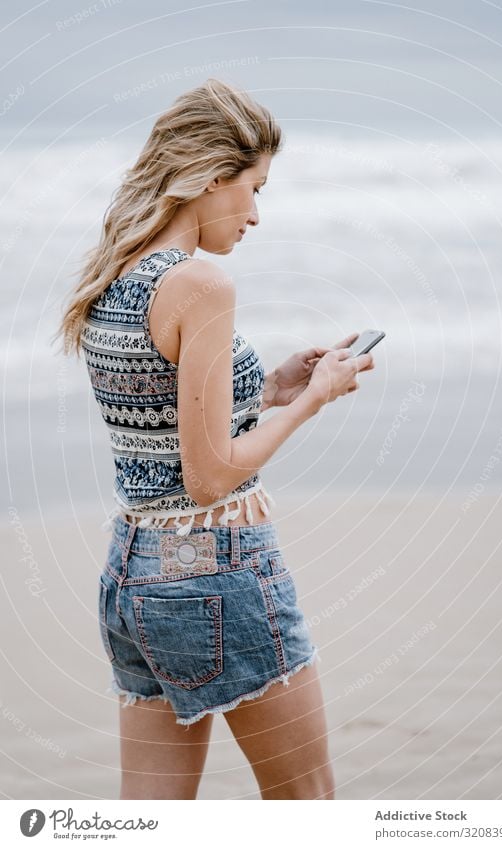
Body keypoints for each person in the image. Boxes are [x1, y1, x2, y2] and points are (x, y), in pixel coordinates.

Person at [54, 77, 375, 800]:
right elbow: (208, 476)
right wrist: (314, 402)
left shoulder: (117, 273)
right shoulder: (201, 285)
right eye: (252, 187)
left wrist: (267, 391)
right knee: (307, 802)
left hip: (134, 575)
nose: (256, 214)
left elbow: (158, 419)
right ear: (207, 177)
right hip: (214, 570)